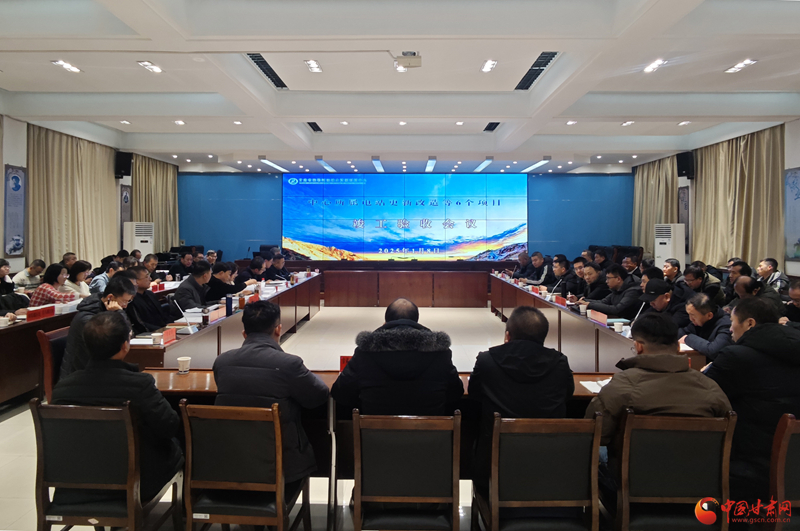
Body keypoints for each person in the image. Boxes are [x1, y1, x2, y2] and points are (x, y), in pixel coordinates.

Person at [585, 314, 731, 508]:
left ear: (638, 346)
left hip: (634, 486)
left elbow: (594, 433)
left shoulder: (624, 384)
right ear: (678, 347)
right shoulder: (709, 387)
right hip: (699, 488)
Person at [52, 311, 183, 505]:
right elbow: (169, 426)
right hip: (135, 480)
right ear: (125, 346)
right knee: (179, 444)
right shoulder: (139, 385)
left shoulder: (62, 389)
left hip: (76, 481)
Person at [213, 301, 329, 482]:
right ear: (278, 330)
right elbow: (319, 396)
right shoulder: (289, 364)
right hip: (280, 469)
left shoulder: (221, 362)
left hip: (230, 463)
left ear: (244, 333)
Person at [704, 298, 800, 503]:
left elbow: (704, 396)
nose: (730, 329)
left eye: (732, 322)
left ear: (750, 323)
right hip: (793, 467)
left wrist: (706, 372)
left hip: (750, 466)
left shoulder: (736, 357)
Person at [469, 306, 574, 488]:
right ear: (543, 337)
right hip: (548, 466)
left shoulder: (487, 360)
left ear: (507, 336)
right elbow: (568, 394)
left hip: (494, 470)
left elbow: (474, 393)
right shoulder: (560, 363)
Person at [331, 298, 464, 415]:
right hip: (431, 434)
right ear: (416, 321)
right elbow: (456, 393)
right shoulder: (439, 351)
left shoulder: (366, 350)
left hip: (375, 435)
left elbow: (340, 393)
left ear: (386, 321)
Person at [60, 275, 136, 378]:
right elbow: (124, 337)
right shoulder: (87, 318)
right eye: (124, 301)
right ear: (110, 297)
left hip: (99, 369)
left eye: (128, 301)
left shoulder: (106, 309)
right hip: (80, 375)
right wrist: (119, 312)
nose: (125, 305)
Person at [678, 294, 732, 360]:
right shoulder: (700, 321)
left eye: (693, 315)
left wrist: (688, 338)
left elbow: (714, 351)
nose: (691, 319)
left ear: (709, 315)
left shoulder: (726, 325)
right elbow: (683, 332)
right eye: (689, 314)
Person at [126, 266, 172, 333]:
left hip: (163, 330)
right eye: (146, 277)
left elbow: (162, 315)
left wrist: (170, 325)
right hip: (149, 333)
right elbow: (140, 324)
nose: (150, 279)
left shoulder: (150, 294)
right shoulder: (131, 300)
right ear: (136, 281)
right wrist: (162, 330)